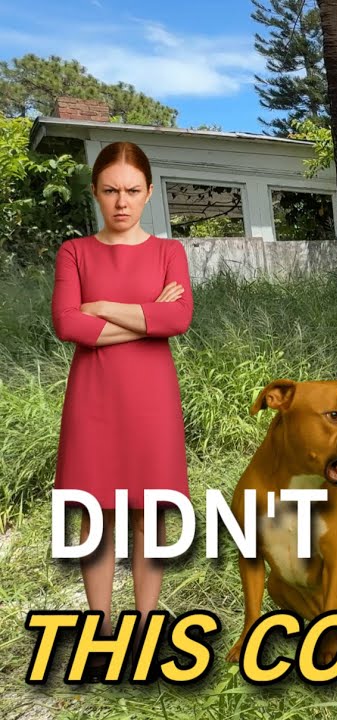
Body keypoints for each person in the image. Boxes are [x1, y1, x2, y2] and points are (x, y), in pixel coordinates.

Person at [50, 141, 193, 669]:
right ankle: (101, 631)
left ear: (149, 192)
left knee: (149, 515)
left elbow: (178, 319)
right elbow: (67, 323)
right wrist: (147, 315)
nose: (121, 201)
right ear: (95, 192)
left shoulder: (168, 252)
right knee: (96, 516)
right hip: (93, 399)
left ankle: (145, 629)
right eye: (110, 190)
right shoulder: (74, 252)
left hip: (152, 400)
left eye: (132, 190)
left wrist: (103, 307)